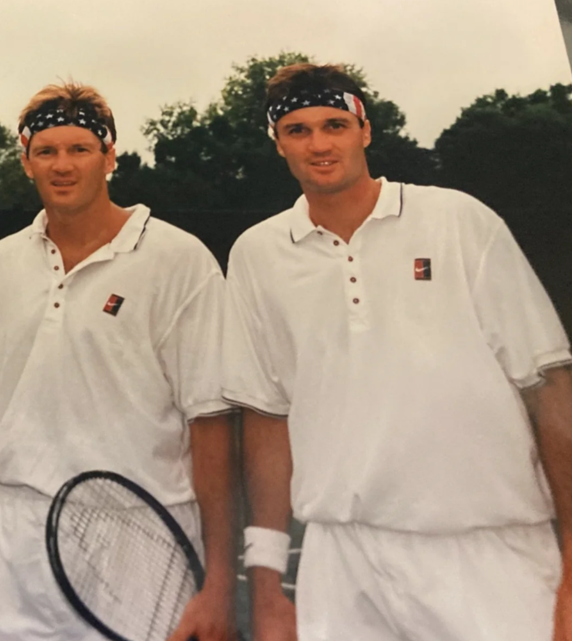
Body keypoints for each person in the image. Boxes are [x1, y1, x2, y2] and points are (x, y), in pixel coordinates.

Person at [222, 63, 572, 641]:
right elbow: (268, 416)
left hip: (489, 553)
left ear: (364, 129)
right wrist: (265, 581)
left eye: (334, 124)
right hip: (340, 561)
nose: (319, 143)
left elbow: (550, 387)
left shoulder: (458, 220)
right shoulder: (257, 254)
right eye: (298, 130)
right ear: (278, 142)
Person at [0, 81, 239, 641]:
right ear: (26, 160)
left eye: (80, 149)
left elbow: (210, 422)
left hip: (141, 541)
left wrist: (221, 583)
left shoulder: (180, 260)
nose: (63, 165)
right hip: (6, 543)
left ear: (110, 156)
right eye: (46, 151)